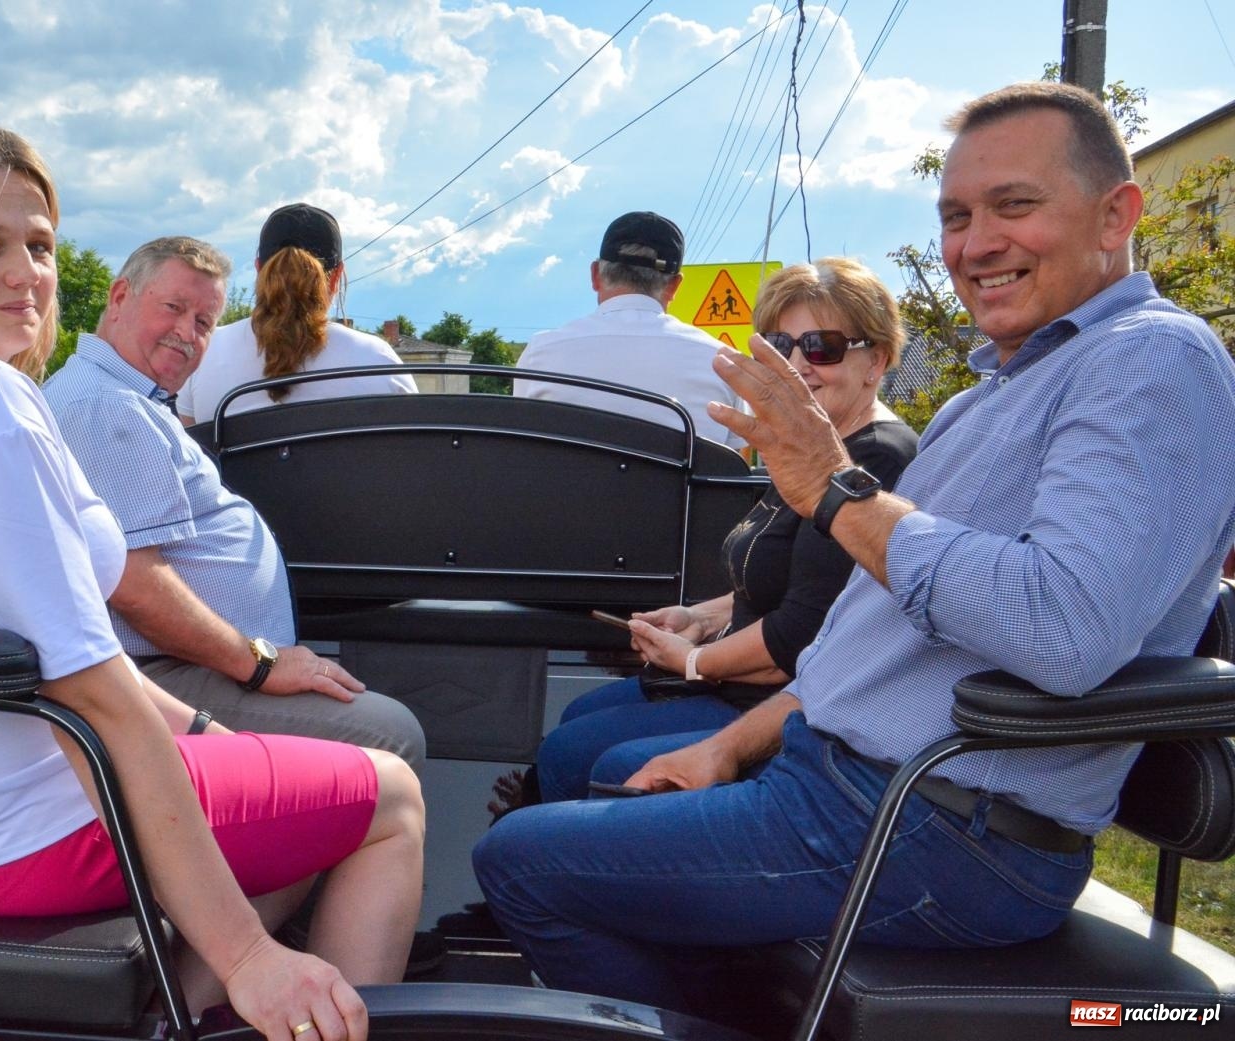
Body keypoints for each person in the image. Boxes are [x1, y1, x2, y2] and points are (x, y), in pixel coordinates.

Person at [473, 81, 1235, 1013]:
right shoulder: (983, 396)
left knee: (521, 861)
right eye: (956, 216)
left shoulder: (1153, 360)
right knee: (589, 785)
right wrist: (730, 748)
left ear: (1118, 213)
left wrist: (838, 490)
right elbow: (861, 647)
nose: (974, 244)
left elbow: (1063, 627)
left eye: (1014, 205)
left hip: (945, 826)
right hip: (845, 777)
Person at [0, 122, 423, 1041]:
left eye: (40, 245)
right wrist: (254, 961)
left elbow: (67, 643)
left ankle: (169, 1006)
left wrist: (207, 732)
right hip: (23, 824)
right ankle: (232, 993)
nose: (26, 273)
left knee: (308, 787)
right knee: (391, 797)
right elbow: (88, 686)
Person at [525, 258, 919, 805]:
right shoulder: (810, 444)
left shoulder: (876, 458)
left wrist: (690, 661)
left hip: (785, 709)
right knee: (576, 718)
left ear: (875, 361)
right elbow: (783, 573)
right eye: (782, 346)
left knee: (578, 753)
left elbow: (798, 635)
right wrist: (698, 617)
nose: (798, 364)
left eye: (822, 347)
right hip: (737, 687)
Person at [43, 236, 426, 770]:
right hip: (164, 674)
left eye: (204, 322)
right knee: (390, 736)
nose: (187, 333)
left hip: (191, 662)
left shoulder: (128, 398)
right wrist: (262, 666)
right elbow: (134, 587)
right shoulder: (103, 408)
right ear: (120, 295)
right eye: (173, 308)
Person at [513, 211, 745, 446]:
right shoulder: (724, 364)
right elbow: (735, 470)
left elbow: (524, 451)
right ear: (674, 286)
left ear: (595, 275)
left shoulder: (540, 355)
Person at [177, 203, 416, 424]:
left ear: (259, 270)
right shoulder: (376, 359)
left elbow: (190, 457)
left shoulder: (205, 352)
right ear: (336, 277)